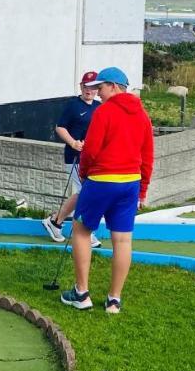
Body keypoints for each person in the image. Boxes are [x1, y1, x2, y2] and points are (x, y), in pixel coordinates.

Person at [60, 67, 154, 315]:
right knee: (122, 239)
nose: (97, 92)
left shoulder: (104, 112)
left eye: (100, 87)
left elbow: (90, 151)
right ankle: (114, 300)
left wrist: (84, 175)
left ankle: (81, 294)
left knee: (81, 231)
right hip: (130, 182)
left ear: (114, 86)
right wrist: (142, 191)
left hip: (102, 179)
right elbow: (147, 156)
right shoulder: (142, 115)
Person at [43, 71, 102, 249]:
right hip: (75, 157)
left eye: (92, 87)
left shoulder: (99, 107)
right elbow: (60, 127)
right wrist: (73, 143)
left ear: (97, 89)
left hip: (91, 158)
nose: (88, 90)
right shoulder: (73, 105)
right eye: (85, 86)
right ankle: (85, 231)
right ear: (81, 86)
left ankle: (55, 221)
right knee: (86, 192)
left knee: (83, 193)